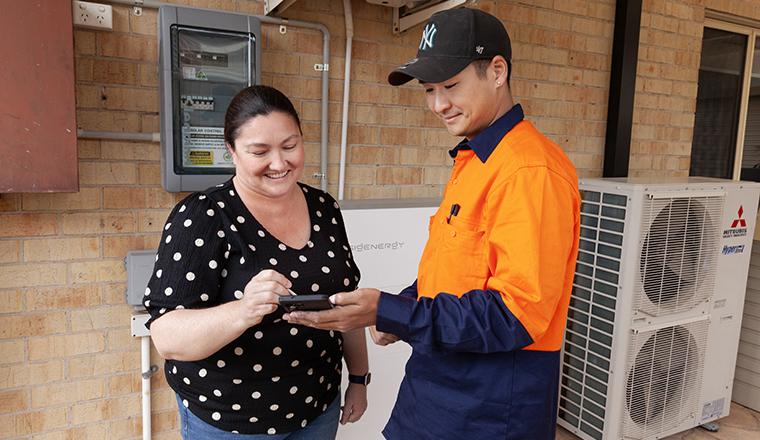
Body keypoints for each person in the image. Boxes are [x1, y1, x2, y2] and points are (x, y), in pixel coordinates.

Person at [284, 8, 581, 440]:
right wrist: (398, 308)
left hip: (488, 409)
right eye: (429, 90)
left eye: (451, 86)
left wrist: (394, 312)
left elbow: (517, 315)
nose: (438, 104)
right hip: (433, 393)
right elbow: (455, 273)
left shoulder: (529, 171)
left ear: (497, 71)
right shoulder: (476, 159)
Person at [142, 85, 369, 439]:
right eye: (260, 151)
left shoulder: (324, 208)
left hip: (318, 410)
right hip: (230, 422)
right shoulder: (204, 214)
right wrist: (243, 310)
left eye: (290, 146)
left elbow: (347, 302)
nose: (279, 163)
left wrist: (359, 378)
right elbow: (167, 336)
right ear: (231, 150)